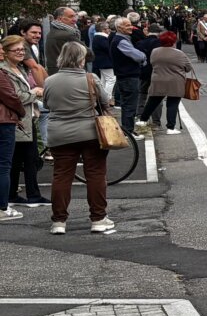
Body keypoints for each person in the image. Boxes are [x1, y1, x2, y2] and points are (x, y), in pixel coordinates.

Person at [40, 42, 113, 235]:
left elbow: (47, 104)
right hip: (89, 131)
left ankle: (59, 221)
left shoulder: (50, 81)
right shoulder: (91, 78)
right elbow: (104, 101)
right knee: (96, 174)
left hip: (59, 133)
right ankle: (98, 218)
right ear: (81, 59)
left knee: (61, 176)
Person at [0, 34, 46, 213]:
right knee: (24, 159)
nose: (20, 52)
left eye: (22, 49)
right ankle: (28, 196)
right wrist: (35, 92)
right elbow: (15, 97)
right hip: (15, 119)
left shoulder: (18, 68)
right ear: (6, 51)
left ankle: (13, 195)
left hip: (23, 118)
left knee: (19, 158)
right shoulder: (5, 71)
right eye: (16, 50)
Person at [140, 32, 195, 135]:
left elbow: (152, 63)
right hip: (175, 81)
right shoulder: (179, 53)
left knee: (152, 102)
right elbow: (188, 67)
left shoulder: (155, 51)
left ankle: (142, 121)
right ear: (174, 41)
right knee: (172, 104)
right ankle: (170, 127)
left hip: (158, 80)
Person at [108, 19, 148, 138]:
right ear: (119, 28)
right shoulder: (121, 41)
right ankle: (128, 131)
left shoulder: (120, 39)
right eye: (127, 25)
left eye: (130, 24)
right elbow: (138, 56)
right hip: (128, 76)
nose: (131, 27)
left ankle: (128, 130)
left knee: (128, 104)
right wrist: (143, 57)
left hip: (126, 75)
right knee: (130, 105)